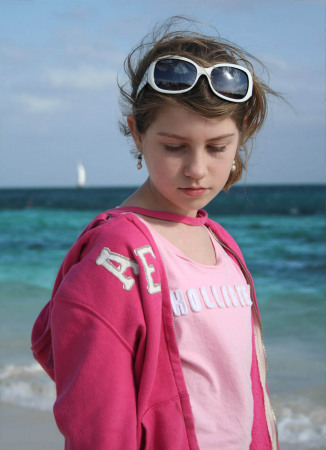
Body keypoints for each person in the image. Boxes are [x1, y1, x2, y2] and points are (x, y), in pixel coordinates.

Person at [31, 17, 279, 450]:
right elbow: (98, 425)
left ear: (241, 139)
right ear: (137, 132)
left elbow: (250, 393)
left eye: (218, 147)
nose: (197, 169)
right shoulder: (117, 255)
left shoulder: (222, 243)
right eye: (174, 146)